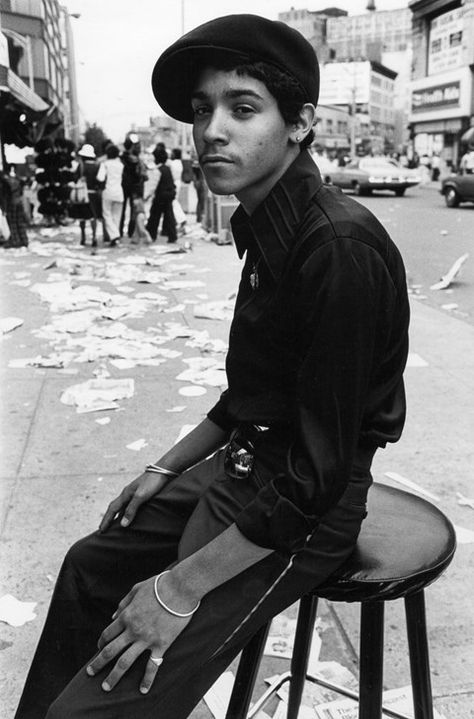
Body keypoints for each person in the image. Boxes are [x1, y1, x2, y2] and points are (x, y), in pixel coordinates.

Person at [14, 14, 409, 719]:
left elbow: (315, 480)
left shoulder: (337, 248)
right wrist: (164, 468)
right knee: (88, 565)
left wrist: (178, 587)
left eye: (243, 107)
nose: (211, 130)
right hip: (247, 464)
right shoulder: (265, 225)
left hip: (304, 508)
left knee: (101, 695)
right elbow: (249, 396)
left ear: (300, 123)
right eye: (202, 110)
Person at [69, 143, 102, 250]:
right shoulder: (97, 165)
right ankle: (94, 237)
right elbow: (100, 180)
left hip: (83, 194)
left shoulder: (81, 166)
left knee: (82, 217)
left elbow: (75, 178)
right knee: (93, 217)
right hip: (94, 194)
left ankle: (83, 237)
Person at [146, 145, 177, 243]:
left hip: (160, 196)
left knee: (154, 216)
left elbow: (153, 186)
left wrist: (146, 196)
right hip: (169, 194)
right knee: (169, 216)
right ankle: (172, 236)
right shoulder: (167, 168)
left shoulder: (157, 170)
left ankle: (151, 235)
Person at [120, 134, 148, 238]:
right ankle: (131, 232)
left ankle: (120, 231)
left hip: (123, 186)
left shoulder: (121, 157)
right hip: (135, 188)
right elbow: (143, 175)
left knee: (122, 210)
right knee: (134, 211)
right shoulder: (137, 160)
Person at [97, 144, 124, 246]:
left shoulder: (105, 164)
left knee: (107, 215)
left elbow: (100, 178)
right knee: (116, 216)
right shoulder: (120, 165)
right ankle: (115, 237)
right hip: (119, 192)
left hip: (108, 191)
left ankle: (114, 235)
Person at [0, 164, 29, 248]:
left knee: (12, 223)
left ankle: (15, 241)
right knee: (20, 222)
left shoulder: (4, 181)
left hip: (10, 204)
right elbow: (21, 192)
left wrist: (3, 207)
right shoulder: (17, 179)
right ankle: (24, 240)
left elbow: (4, 196)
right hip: (18, 202)